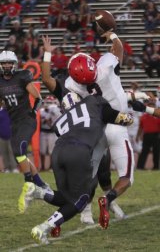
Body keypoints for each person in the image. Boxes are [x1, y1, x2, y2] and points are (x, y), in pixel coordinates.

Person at [40, 35, 151, 228]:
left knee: (88, 177)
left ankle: (76, 211)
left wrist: (48, 53)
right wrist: (130, 113)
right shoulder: (101, 76)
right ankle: (98, 206)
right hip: (97, 132)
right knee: (108, 174)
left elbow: (46, 78)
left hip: (75, 138)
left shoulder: (70, 88)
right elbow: (112, 109)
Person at [21, 91, 133, 244]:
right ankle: (43, 227)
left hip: (58, 152)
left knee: (67, 197)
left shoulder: (60, 121)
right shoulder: (92, 105)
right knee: (82, 198)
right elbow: (125, 119)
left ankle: (38, 192)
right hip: (79, 151)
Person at [0, 50, 50, 213]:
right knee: (19, 155)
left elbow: (38, 97)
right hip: (14, 122)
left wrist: (33, 112)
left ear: (14, 64)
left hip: (27, 119)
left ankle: (29, 184)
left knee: (21, 149)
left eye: (9, 63)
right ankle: (42, 185)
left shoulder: (22, 76)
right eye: (4, 63)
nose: (7, 66)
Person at [40, 95, 61, 171]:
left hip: (52, 133)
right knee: (42, 150)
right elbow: (41, 122)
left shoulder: (56, 111)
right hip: (43, 131)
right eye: (47, 102)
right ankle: (42, 167)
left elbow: (54, 122)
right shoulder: (41, 111)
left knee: (51, 151)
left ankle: (51, 167)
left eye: (50, 102)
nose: (48, 104)